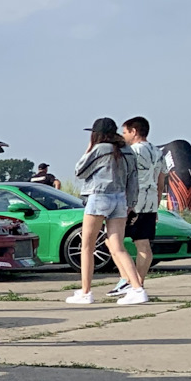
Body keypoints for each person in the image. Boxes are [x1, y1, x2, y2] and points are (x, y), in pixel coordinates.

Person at [67, 117, 145, 305]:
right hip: (120, 199)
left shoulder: (100, 149)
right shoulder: (127, 151)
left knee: (87, 246)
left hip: (99, 197)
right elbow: (133, 180)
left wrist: (88, 148)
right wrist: (131, 203)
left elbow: (79, 171)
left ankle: (86, 292)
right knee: (118, 247)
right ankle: (137, 289)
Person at [117, 116, 163, 293]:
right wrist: (157, 205)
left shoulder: (132, 151)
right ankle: (139, 283)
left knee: (112, 242)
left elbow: (125, 177)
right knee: (143, 244)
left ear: (134, 132)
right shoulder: (157, 151)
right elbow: (161, 181)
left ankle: (128, 279)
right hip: (150, 201)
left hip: (134, 202)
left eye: (125, 132)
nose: (123, 136)